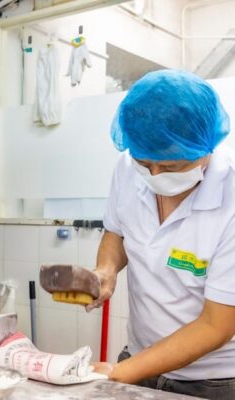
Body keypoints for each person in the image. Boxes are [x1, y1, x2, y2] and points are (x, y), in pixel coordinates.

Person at [90, 69, 235, 399]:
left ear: (205, 146)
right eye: (145, 163)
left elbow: (217, 325)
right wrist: (106, 271)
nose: (154, 175)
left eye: (170, 167)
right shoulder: (129, 168)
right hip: (139, 357)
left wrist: (119, 373)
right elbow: (116, 231)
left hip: (213, 379)